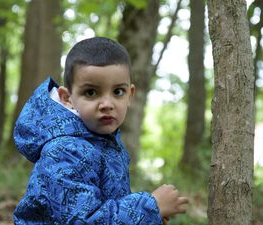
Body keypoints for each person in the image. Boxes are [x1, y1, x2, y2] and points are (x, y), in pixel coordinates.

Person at [13, 37, 188, 225]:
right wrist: (150, 207)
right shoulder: (65, 151)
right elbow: (82, 220)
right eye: (91, 92)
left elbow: (106, 203)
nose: (107, 104)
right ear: (67, 98)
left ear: (130, 95)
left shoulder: (103, 141)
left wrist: (147, 219)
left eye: (118, 92)